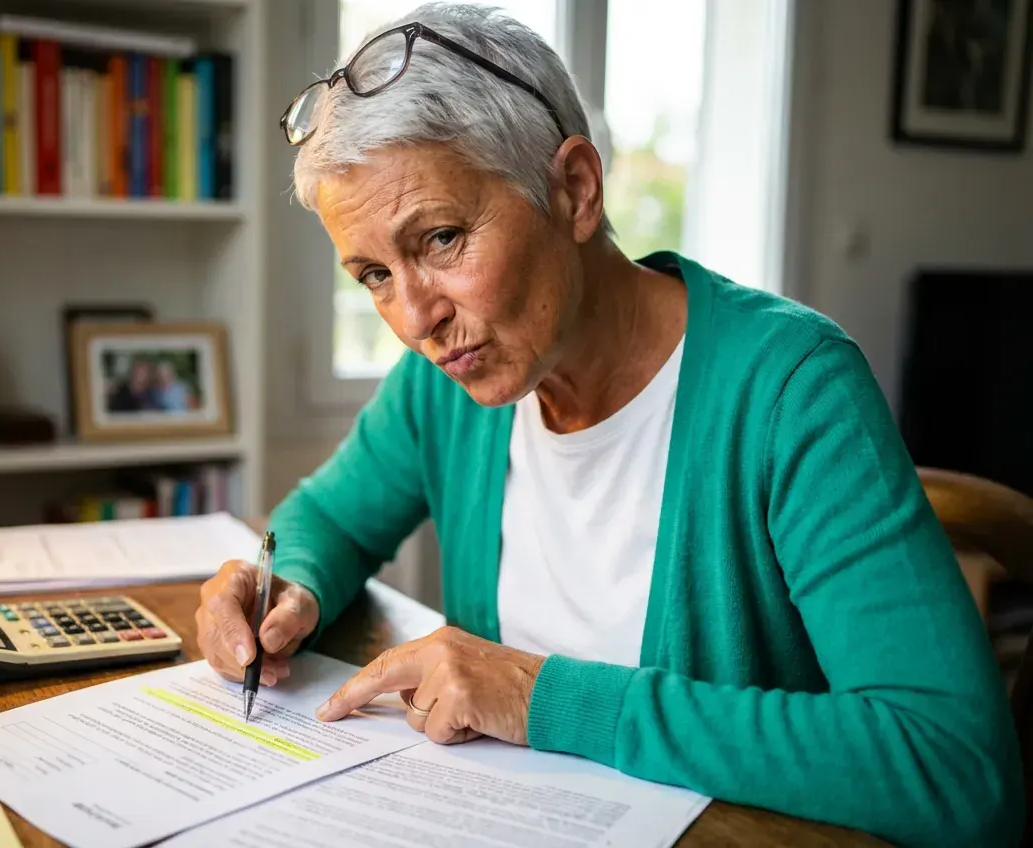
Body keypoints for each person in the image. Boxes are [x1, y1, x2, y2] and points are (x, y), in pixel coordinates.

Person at [195, 4, 1022, 845]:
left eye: (442, 239)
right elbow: (331, 515)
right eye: (373, 273)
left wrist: (538, 696)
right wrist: (288, 587)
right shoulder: (445, 380)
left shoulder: (792, 389)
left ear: (576, 190)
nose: (413, 319)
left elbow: (958, 767)